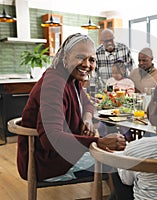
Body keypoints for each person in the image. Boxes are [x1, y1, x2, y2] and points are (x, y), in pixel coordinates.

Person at [17, 33, 126, 181]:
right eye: (81, 57)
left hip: (61, 156)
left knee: (118, 159)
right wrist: (98, 142)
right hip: (46, 163)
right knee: (121, 164)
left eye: (91, 60)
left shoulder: (70, 78)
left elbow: (87, 104)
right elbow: (50, 138)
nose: (87, 64)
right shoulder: (54, 84)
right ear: (65, 56)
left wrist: (87, 119)